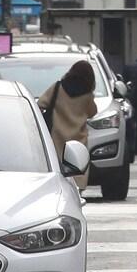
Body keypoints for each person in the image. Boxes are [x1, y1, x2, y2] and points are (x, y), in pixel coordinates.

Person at [37, 61, 98, 189]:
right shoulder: (87, 95)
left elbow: (41, 103)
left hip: (57, 137)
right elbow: (93, 112)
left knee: (58, 168)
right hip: (78, 138)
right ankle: (77, 192)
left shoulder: (58, 88)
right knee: (77, 168)